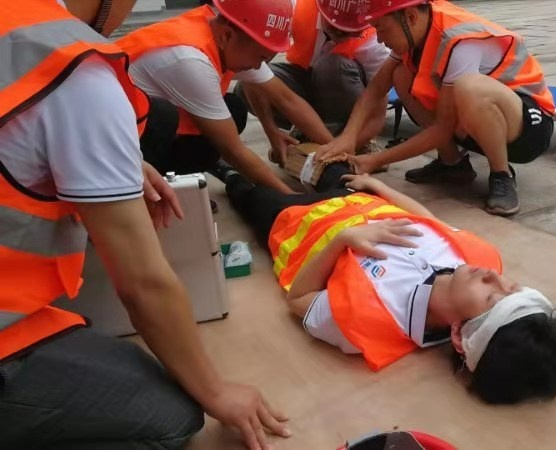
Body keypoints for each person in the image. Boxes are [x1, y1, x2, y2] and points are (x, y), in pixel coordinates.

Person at [0, 1, 289, 449]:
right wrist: (216, 391)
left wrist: (121, 163)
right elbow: (143, 284)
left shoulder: (14, 27)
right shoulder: (77, 75)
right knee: (171, 416)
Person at [212, 163, 556, 404]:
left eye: (491, 298)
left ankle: (225, 171)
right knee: (332, 165)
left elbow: (298, 298)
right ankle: (296, 155)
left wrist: (342, 240)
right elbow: (426, 219)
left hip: (297, 220)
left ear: (457, 334)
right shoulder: (478, 257)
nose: (493, 277)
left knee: (252, 195)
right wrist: (378, 186)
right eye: (512, 287)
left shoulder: (367, 324)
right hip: (359, 198)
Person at [316, 0, 556, 216]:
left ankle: (501, 174)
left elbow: (443, 129)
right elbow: (377, 88)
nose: (379, 39)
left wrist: (374, 160)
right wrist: (348, 137)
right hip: (484, 123)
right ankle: (452, 164)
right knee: (401, 75)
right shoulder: (415, 30)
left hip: (528, 127)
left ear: (410, 17)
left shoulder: (458, 41)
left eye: (381, 28)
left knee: (468, 87)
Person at [119, 0, 309, 193]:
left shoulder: (230, 36)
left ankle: (180, 181)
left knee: (233, 109)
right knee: (166, 118)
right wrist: (290, 196)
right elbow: (233, 151)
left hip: (141, 123)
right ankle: (145, 189)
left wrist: (329, 147)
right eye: (260, 57)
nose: (258, 66)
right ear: (227, 35)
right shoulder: (191, 60)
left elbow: (288, 99)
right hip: (117, 141)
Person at [232, 0, 391, 166]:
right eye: (334, 27)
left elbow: (377, 117)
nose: (339, 33)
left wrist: (346, 146)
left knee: (330, 66)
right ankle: (308, 134)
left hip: (347, 99)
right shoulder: (293, 10)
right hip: (307, 83)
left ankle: (351, 141)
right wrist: (272, 132)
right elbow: (253, 73)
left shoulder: (375, 44)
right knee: (248, 87)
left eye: (348, 31)